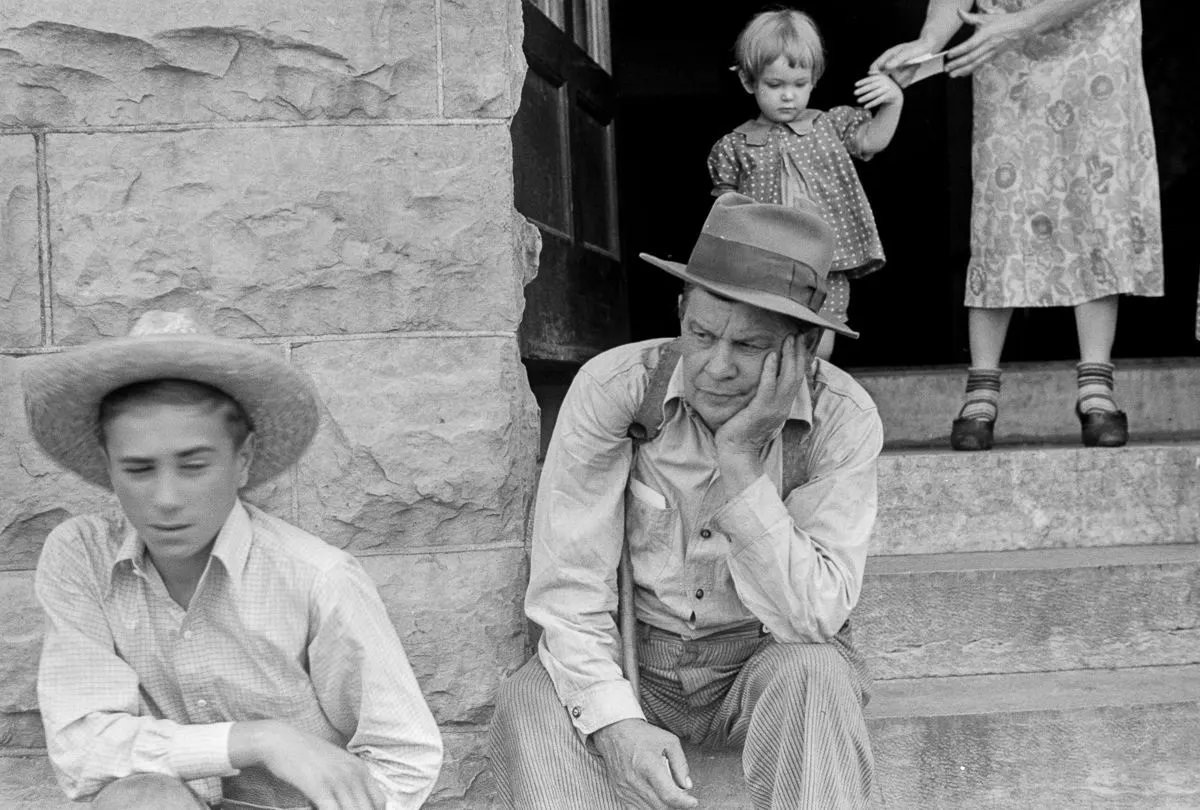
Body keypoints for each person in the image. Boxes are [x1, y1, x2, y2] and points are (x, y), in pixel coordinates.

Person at [489, 193, 882, 810]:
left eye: (750, 347)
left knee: (819, 672)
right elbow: (568, 589)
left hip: (760, 661)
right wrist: (617, 723)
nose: (716, 367)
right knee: (530, 697)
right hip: (634, 654)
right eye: (701, 334)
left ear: (804, 349)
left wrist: (742, 462)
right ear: (680, 313)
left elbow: (813, 616)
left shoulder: (840, 418)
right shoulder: (617, 387)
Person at [22, 311, 443, 810]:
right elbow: (81, 748)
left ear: (241, 461)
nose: (167, 498)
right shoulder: (83, 555)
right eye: (138, 469)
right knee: (139, 799)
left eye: (194, 465)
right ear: (108, 466)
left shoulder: (318, 578)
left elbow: (406, 754)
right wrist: (260, 739)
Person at [871, 0, 1164, 450]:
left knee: (1093, 199)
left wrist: (1016, 25)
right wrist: (930, 40)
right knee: (1000, 206)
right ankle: (981, 390)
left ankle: (1096, 389)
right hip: (1005, 49)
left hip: (1094, 41)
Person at [708, 8, 904, 361]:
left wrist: (894, 101)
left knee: (823, 324)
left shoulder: (830, 126)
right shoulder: (734, 146)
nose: (788, 96)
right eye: (775, 85)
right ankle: (777, 396)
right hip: (764, 262)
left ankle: (811, 390)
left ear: (814, 79)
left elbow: (872, 140)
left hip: (825, 259)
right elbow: (725, 210)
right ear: (748, 82)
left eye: (800, 85)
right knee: (765, 328)